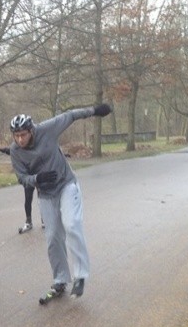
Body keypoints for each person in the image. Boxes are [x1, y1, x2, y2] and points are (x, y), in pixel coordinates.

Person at [7, 104, 112, 299]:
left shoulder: (47, 129)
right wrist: (37, 179)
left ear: (31, 130)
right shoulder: (15, 151)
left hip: (66, 184)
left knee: (71, 225)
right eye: (16, 136)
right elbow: (21, 177)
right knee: (53, 236)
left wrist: (95, 111)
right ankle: (60, 279)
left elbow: (71, 115)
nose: (20, 139)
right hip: (46, 194)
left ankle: (80, 275)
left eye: (23, 134)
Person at [0, 145, 41, 233]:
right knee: (28, 199)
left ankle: (45, 219)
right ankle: (28, 222)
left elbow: (48, 153)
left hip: (39, 175)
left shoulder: (36, 146)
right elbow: (9, 150)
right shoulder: (19, 148)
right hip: (27, 177)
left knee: (42, 199)